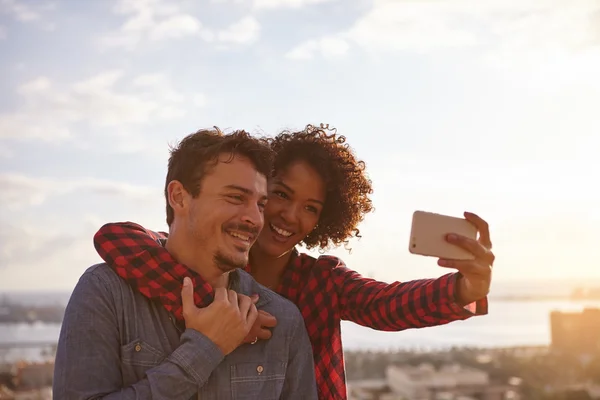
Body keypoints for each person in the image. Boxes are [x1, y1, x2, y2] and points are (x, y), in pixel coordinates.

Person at [93, 124, 495, 400]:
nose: (289, 216)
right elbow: (119, 239)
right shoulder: (208, 265)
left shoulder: (322, 282)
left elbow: (385, 304)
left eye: (311, 208)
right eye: (281, 194)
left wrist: (464, 289)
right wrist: (217, 306)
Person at [53, 128, 318, 400]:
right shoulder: (105, 293)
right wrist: (205, 348)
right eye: (236, 197)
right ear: (179, 197)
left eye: (260, 205)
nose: (255, 219)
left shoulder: (280, 320)